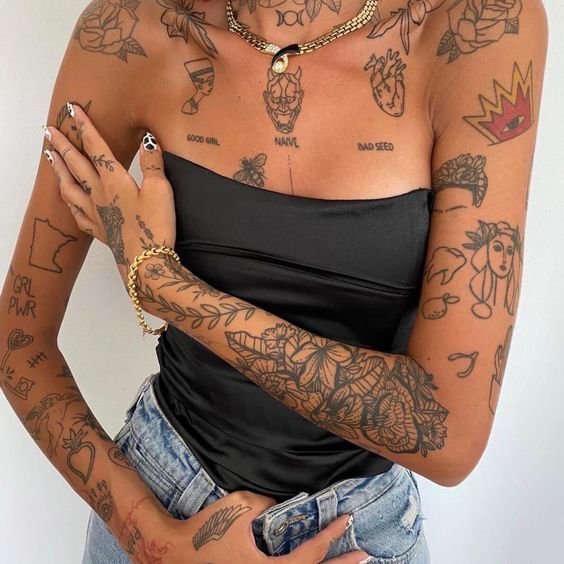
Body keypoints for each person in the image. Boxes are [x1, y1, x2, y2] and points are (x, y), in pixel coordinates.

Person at [0, 0, 548, 562]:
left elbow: (449, 436)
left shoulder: (477, 26)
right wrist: (154, 540)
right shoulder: (131, 28)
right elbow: (18, 341)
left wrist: (161, 283)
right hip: (157, 500)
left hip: (357, 537)